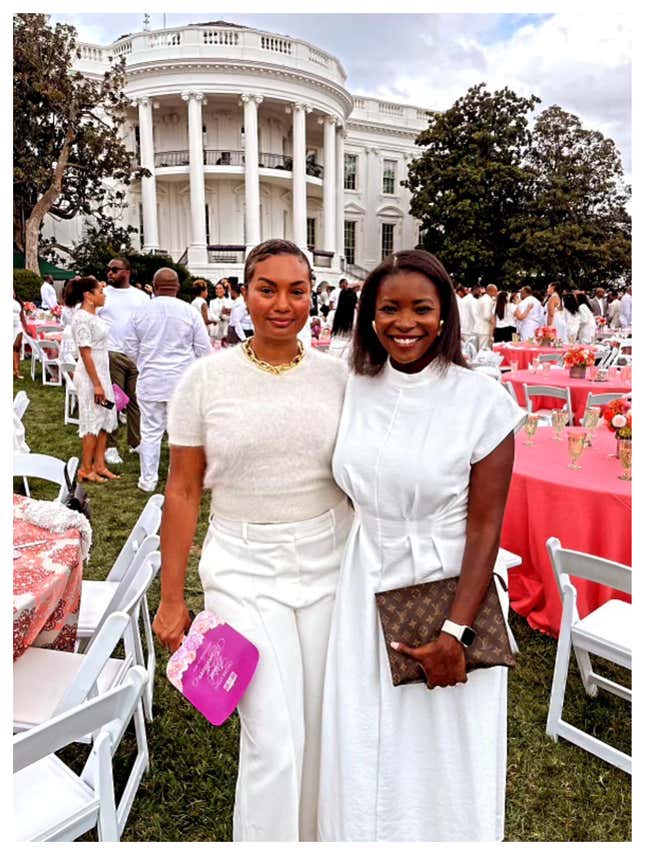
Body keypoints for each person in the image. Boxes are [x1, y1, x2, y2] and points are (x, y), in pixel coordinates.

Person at [318, 249, 524, 842]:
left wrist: (455, 633)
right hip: (364, 577)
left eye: (420, 309)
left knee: (442, 742)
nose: (403, 323)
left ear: (444, 316)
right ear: (368, 315)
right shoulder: (354, 385)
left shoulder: (482, 401)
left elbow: (486, 528)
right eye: (389, 308)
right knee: (363, 731)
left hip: (448, 582)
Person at [152, 239, 352, 842]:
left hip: (327, 564)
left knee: (319, 728)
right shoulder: (205, 380)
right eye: (268, 289)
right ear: (244, 292)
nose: (283, 304)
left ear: (313, 296)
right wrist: (171, 596)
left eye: (297, 290)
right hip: (241, 566)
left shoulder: (338, 378)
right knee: (275, 735)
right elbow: (183, 491)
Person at [122, 267, 211, 493]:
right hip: (181, 383)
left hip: (151, 379)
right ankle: (178, 478)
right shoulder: (189, 312)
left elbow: (129, 348)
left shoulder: (141, 312)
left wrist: (144, 362)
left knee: (151, 431)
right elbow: (204, 350)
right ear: (178, 287)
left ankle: (148, 480)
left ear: (155, 285)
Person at [66, 277, 119, 483]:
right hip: (90, 376)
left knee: (105, 416)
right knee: (92, 419)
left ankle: (99, 464)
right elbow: (85, 354)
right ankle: (85, 468)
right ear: (88, 295)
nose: (103, 295)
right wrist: (97, 384)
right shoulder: (81, 319)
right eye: (100, 291)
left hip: (102, 371)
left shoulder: (94, 316)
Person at [98, 257, 150, 464]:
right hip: (111, 353)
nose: (110, 273)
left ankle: (135, 442)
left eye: (114, 269)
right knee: (114, 402)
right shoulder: (103, 295)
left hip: (136, 355)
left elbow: (148, 323)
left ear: (127, 271)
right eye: (108, 269)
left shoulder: (142, 297)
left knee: (136, 401)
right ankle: (110, 446)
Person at [328, 286, 358, 360]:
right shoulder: (357, 316)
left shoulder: (333, 314)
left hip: (333, 347)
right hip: (349, 349)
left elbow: (327, 328)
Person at [208, 279, 233, 348]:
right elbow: (210, 315)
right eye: (216, 288)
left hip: (226, 329)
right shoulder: (212, 302)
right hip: (215, 330)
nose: (218, 290)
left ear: (224, 291)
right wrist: (219, 318)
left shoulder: (230, 302)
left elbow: (231, 316)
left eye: (220, 288)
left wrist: (223, 317)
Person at [473, 283, 496, 350]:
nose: (496, 293)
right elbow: (487, 316)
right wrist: (492, 318)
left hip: (477, 327)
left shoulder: (481, 299)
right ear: (491, 291)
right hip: (484, 329)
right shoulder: (488, 300)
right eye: (495, 291)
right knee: (483, 350)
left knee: (477, 349)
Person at [13, 290, 27, 379]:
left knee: (17, 347)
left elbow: (22, 315)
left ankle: (17, 371)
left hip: (17, 326)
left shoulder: (18, 302)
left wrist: (25, 326)